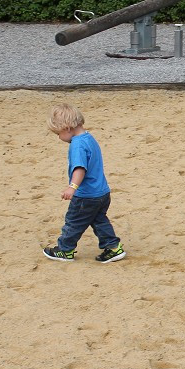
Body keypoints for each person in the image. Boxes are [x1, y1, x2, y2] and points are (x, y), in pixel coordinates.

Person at [43, 104, 126, 264]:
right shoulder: (89, 138)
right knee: (99, 220)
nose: (58, 137)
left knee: (73, 222)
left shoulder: (77, 145)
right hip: (102, 193)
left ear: (67, 128)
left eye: (58, 133)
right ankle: (114, 248)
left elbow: (80, 169)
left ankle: (65, 250)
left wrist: (72, 187)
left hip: (86, 196)